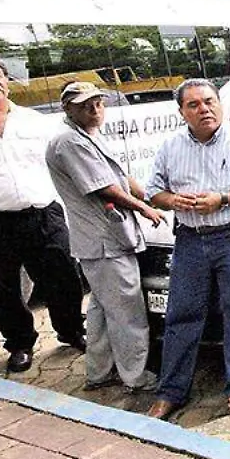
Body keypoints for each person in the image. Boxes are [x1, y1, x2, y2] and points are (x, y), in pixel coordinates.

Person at [144, 79, 230, 420]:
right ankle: (170, 392)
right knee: (181, 315)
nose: (204, 109)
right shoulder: (170, 146)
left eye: (209, 101)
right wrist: (173, 201)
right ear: (182, 112)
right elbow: (153, 191)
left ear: (220, 103)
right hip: (190, 239)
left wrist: (222, 199)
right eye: (193, 105)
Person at [0, 53, 86, 373]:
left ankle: (71, 330)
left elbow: (64, 164)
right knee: (2, 287)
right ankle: (19, 343)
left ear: (7, 81)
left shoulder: (35, 121)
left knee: (63, 275)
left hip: (42, 213)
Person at [45, 82, 165, 392]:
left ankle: (99, 372)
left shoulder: (89, 135)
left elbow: (122, 178)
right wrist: (144, 207)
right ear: (68, 109)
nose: (95, 109)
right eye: (85, 105)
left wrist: (154, 197)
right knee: (127, 311)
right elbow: (105, 188)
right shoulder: (69, 142)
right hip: (104, 242)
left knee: (102, 309)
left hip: (105, 240)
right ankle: (136, 376)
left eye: (99, 103)